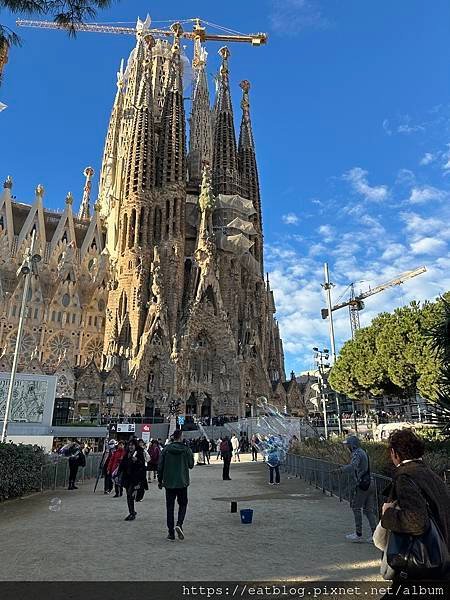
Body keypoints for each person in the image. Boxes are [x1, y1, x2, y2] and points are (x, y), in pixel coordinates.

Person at [380, 429, 450, 582]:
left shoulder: (405, 478)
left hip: (421, 564)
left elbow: (415, 521)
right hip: (441, 557)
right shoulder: (431, 475)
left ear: (394, 453)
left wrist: (388, 513)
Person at [339, 435, 377, 543]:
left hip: (363, 484)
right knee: (369, 511)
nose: (347, 447)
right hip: (370, 482)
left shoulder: (357, 454)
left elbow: (353, 466)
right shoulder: (363, 452)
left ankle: (358, 533)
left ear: (352, 445)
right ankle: (375, 535)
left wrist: (341, 470)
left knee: (356, 507)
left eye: (348, 445)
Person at [158, 428, 194, 541]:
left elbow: (160, 466)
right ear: (181, 437)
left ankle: (171, 532)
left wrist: (160, 480)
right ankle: (179, 523)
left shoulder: (166, 449)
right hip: (182, 482)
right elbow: (191, 465)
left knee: (170, 507)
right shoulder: (186, 449)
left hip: (169, 482)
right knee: (183, 504)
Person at [118, 438, 147, 521]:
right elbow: (123, 464)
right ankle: (132, 512)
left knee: (130, 495)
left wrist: (137, 461)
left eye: (132, 445)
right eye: (129, 445)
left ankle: (132, 513)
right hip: (127, 477)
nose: (130, 446)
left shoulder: (139, 453)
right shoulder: (127, 453)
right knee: (128, 495)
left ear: (135, 445)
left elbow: (142, 466)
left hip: (136, 478)